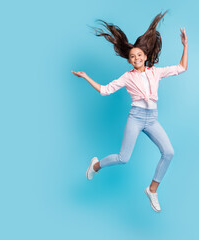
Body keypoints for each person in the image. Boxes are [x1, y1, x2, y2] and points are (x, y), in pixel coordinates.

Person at [71, 10, 188, 212]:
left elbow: (181, 68)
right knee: (123, 158)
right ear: (129, 60)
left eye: (139, 55)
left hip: (152, 119)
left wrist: (185, 46)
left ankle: (152, 190)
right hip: (136, 117)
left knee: (169, 152)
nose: (136, 58)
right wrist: (86, 77)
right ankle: (96, 165)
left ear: (146, 56)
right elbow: (105, 90)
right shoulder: (127, 77)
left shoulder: (156, 72)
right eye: (132, 56)